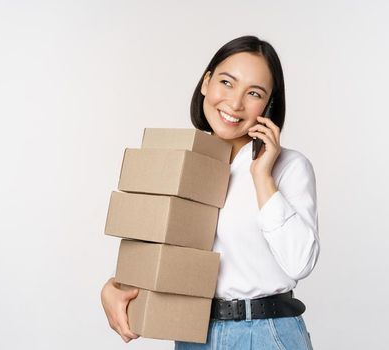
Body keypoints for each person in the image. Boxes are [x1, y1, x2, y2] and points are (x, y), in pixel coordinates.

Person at [101, 35, 319, 349]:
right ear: (206, 83)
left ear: (268, 104)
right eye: (227, 83)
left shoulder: (289, 167)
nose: (235, 103)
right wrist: (114, 285)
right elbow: (160, 247)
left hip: (264, 333)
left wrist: (262, 176)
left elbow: (300, 263)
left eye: (254, 93)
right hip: (194, 333)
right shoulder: (183, 160)